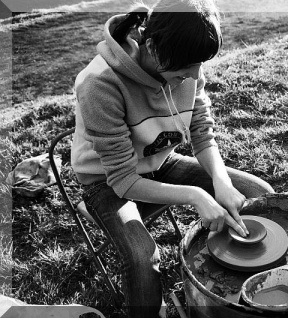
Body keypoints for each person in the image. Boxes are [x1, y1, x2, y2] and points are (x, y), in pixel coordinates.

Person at [71, 0, 275, 316]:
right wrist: (195, 195)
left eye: (198, 64)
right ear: (151, 45)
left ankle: (245, 292)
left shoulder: (183, 59)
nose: (195, 74)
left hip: (160, 163)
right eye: (187, 69)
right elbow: (123, 180)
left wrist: (220, 183)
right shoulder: (98, 82)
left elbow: (202, 131)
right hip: (106, 184)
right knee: (142, 258)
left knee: (259, 195)